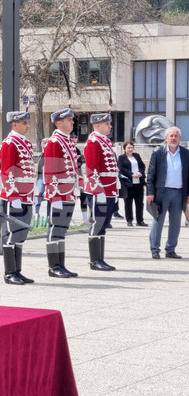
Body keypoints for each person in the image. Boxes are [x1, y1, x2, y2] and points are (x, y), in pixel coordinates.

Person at [0, 111, 37, 285]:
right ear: (14, 124)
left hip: (26, 196)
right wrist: (13, 196)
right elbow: (7, 171)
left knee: (21, 234)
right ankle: (9, 273)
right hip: (15, 197)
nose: (28, 126)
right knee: (12, 234)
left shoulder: (25, 143)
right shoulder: (9, 143)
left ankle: (18, 271)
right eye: (25, 123)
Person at [42, 108, 81, 278]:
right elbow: (49, 170)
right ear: (59, 123)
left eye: (72, 119)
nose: (72, 122)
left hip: (68, 192)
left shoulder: (66, 141)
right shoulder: (54, 142)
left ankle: (61, 264)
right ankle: (53, 266)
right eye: (69, 120)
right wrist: (54, 195)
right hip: (59, 193)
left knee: (62, 229)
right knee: (55, 228)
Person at [146, 126, 189, 259]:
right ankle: (155, 249)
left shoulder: (185, 153)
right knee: (158, 221)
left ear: (179, 138)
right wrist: (150, 192)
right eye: (171, 135)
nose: (173, 138)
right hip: (161, 192)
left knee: (176, 222)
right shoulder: (158, 152)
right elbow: (151, 174)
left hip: (179, 192)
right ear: (166, 137)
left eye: (176, 136)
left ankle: (170, 249)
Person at [84, 113, 119, 271]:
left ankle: (100, 258)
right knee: (97, 223)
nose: (110, 126)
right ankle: (94, 260)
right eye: (107, 124)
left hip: (110, 189)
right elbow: (92, 169)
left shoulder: (104, 141)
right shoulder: (93, 141)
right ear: (97, 125)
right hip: (100, 190)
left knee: (104, 224)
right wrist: (99, 191)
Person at [118, 141, 147, 226]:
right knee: (128, 202)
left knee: (139, 202)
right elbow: (121, 168)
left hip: (138, 183)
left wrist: (140, 172)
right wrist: (131, 174)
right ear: (124, 149)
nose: (130, 149)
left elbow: (142, 165)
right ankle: (129, 220)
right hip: (128, 183)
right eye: (128, 148)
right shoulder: (121, 158)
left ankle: (140, 220)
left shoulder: (136, 156)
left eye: (131, 147)